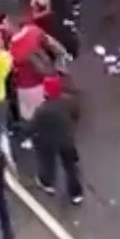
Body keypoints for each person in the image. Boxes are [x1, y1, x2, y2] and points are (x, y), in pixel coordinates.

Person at [28, 75, 83, 204]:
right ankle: (76, 193)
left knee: (47, 163)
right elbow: (76, 115)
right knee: (70, 167)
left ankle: (47, 183)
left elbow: (33, 126)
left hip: (47, 141)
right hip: (66, 139)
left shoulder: (42, 109)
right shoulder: (70, 101)